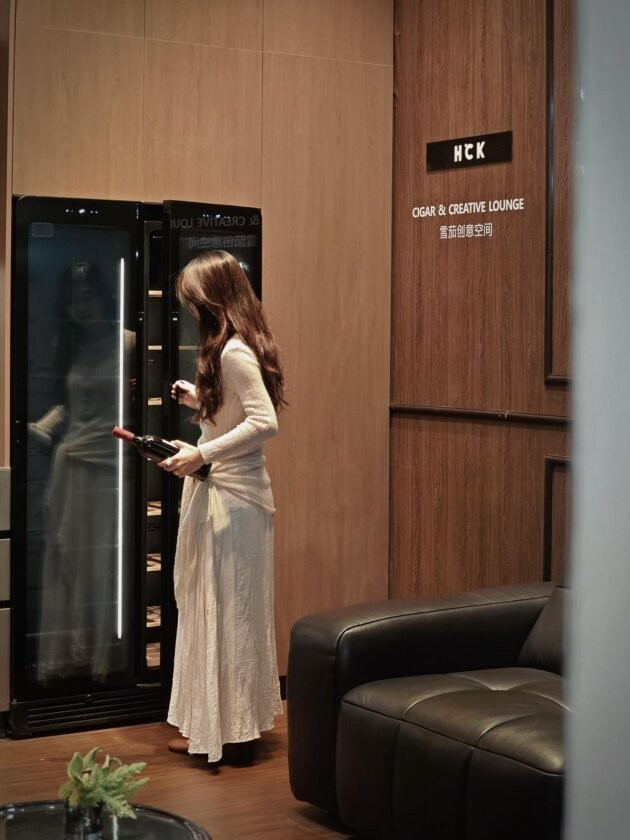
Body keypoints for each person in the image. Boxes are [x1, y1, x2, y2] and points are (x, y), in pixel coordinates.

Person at [159, 249, 286, 764]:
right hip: (233, 496)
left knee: (222, 609)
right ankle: (229, 728)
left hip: (232, 501)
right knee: (231, 610)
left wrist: (201, 454)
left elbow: (264, 422)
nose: (191, 308)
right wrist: (200, 400)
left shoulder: (233, 352)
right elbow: (242, 413)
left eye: (194, 299)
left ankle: (223, 731)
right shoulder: (238, 347)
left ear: (214, 299)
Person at [31, 261, 135, 683]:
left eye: (87, 297)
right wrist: (40, 427)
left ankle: (102, 662)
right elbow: (71, 404)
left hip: (110, 470)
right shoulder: (72, 345)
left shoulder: (128, 344)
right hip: (72, 470)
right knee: (68, 564)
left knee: (102, 566)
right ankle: (72, 662)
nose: (80, 307)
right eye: (72, 300)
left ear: (104, 296)